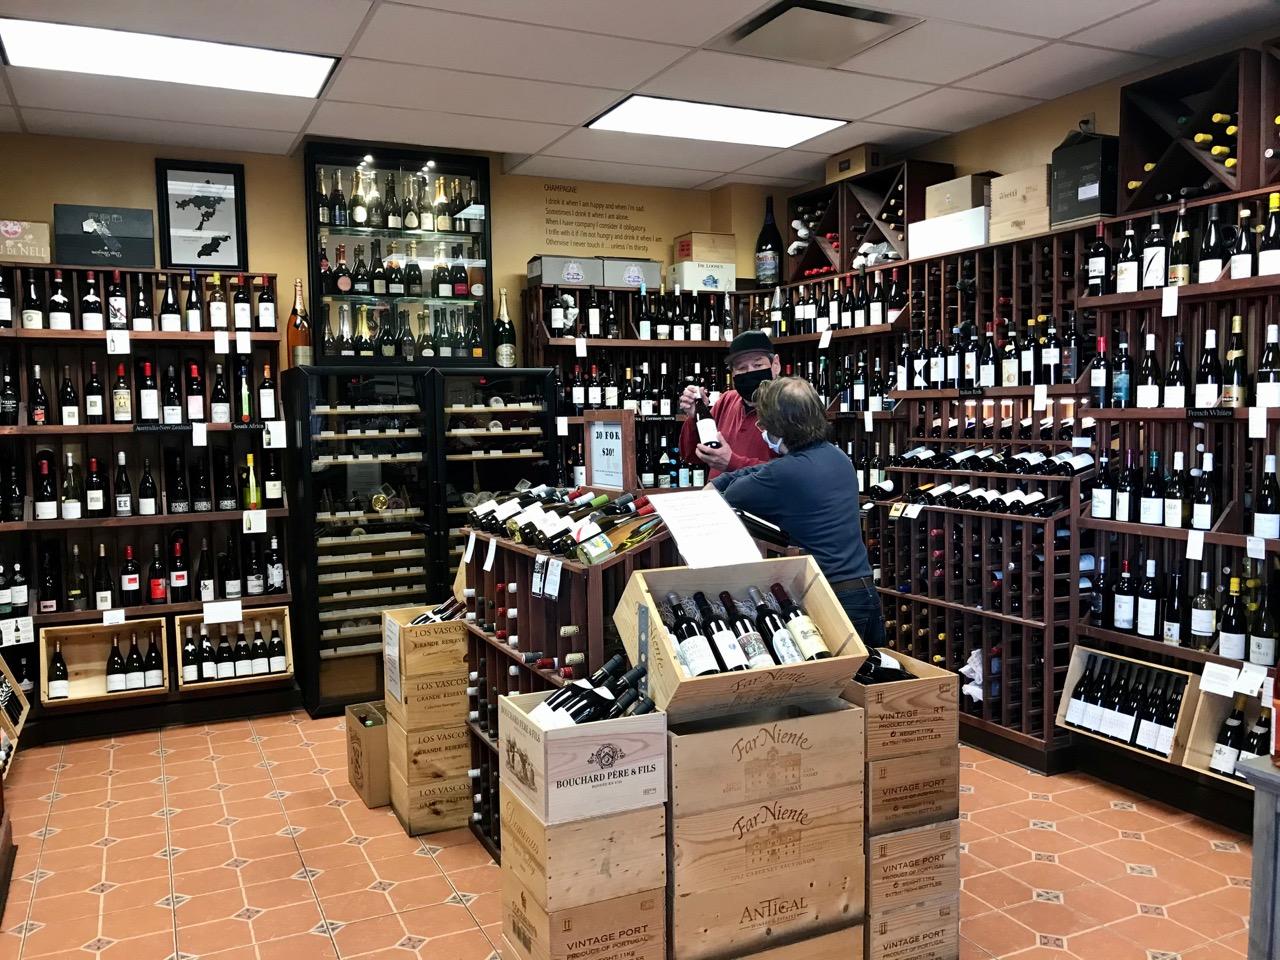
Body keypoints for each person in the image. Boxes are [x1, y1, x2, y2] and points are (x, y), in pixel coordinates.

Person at [711, 376, 885, 648]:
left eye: (763, 422)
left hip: (833, 597)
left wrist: (716, 484)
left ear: (779, 427)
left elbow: (732, 496)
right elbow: (760, 470)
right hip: (865, 592)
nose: (761, 428)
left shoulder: (785, 473)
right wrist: (726, 478)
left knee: (837, 675)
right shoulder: (836, 455)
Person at [678, 330, 779, 479]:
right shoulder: (726, 401)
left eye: (757, 365)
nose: (749, 372)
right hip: (716, 494)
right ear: (732, 373)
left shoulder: (790, 408)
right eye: (741, 368)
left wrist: (731, 462)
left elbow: (793, 471)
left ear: (775, 364)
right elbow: (691, 455)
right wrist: (696, 416)